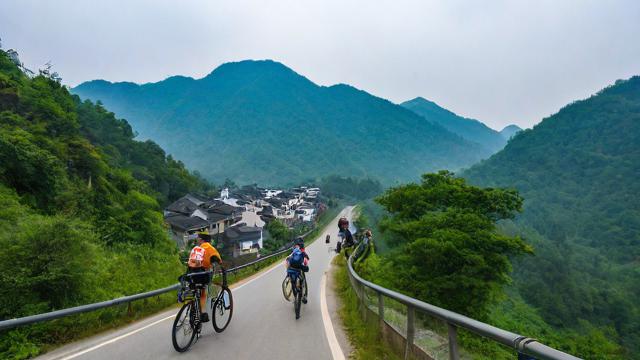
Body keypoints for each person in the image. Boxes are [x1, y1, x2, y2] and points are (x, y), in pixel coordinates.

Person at [187, 232, 222, 323]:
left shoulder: (196, 249)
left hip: (191, 274)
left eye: (198, 238)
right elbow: (219, 262)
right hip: (203, 276)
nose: (197, 240)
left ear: (201, 240)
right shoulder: (211, 249)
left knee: (194, 289)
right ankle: (205, 309)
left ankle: (193, 308)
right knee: (205, 290)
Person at [286, 237, 309, 304]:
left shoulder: (294, 249)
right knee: (302, 279)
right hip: (300, 267)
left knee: (293, 281)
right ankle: (304, 295)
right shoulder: (302, 248)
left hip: (292, 268)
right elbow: (306, 260)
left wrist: (287, 272)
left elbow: (288, 260)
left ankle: (296, 295)